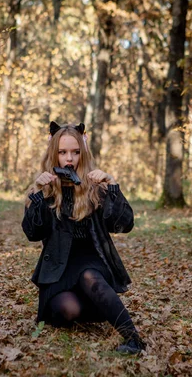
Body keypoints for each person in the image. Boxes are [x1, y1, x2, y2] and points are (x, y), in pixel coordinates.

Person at [22, 121, 146, 355]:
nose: (69, 158)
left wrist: (111, 186)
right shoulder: (45, 190)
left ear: (83, 153)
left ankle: (134, 339)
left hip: (92, 262)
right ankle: (99, 304)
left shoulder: (94, 187)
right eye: (63, 152)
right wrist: (37, 194)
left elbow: (124, 225)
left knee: (90, 277)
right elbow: (32, 233)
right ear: (53, 154)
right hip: (59, 268)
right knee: (65, 311)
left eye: (75, 152)